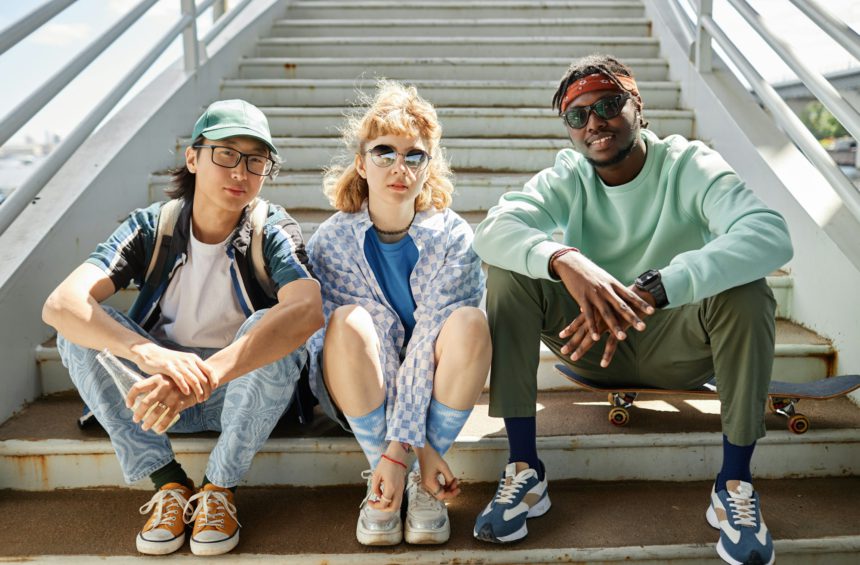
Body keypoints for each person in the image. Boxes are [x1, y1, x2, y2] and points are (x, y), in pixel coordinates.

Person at [471, 55, 792, 565]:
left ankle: (734, 483)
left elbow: (770, 235)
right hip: (591, 340)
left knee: (746, 289)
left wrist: (662, 285)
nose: (594, 122)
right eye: (577, 115)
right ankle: (524, 468)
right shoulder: (569, 175)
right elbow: (492, 230)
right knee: (512, 273)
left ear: (637, 106)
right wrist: (564, 258)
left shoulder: (689, 165)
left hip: (678, 346)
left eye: (608, 104)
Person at [42, 99, 323, 557]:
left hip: (240, 393)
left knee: (275, 326)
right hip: (155, 395)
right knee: (75, 331)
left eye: (256, 160)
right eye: (226, 154)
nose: (241, 171)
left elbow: (308, 310)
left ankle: (218, 490)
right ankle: (169, 485)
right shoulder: (154, 226)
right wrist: (150, 355)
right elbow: (61, 304)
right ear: (193, 159)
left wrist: (207, 375)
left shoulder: (271, 228)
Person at [306, 81, 490, 546]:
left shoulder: (454, 238)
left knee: (470, 323)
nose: (399, 167)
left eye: (415, 155)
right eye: (384, 152)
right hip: (359, 384)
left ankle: (415, 483)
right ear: (361, 163)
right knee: (351, 323)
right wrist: (400, 451)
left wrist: (411, 447)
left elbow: (429, 340)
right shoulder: (332, 241)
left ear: (430, 167)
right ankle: (384, 475)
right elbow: (379, 347)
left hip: (434, 384)